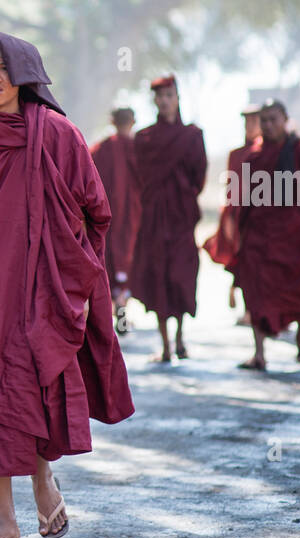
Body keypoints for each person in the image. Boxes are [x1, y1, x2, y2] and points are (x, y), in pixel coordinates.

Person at [0, 26, 133, 538]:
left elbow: (96, 210)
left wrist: (61, 261)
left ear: (24, 74)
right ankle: (5, 522)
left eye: (2, 68)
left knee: (32, 389)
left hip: (41, 292)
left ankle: (43, 477)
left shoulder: (57, 133)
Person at [228, 99, 300, 370]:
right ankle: (259, 352)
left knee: (297, 288)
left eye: (273, 119)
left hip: (294, 234)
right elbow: (244, 198)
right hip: (259, 236)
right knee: (256, 289)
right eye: (264, 121)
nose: (269, 125)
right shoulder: (255, 156)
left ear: (285, 119)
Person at [129, 75, 206, 361]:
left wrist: (181, 195)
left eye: (169, 96)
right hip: (154, 219)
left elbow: (199, 177)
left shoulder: (192, 137)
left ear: (178, 99)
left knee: (181, 275)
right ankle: (165, 344)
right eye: (159, 96)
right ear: (154, 101)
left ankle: (180, 336)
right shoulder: (145, 139)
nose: (164, 101)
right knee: (158, 275)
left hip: (181, 218)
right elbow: (140, 178)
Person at [203, 105, 260, 321]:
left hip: (261, 218)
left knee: (259, 265)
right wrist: (229, 218)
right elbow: (230, 189)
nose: (250, 126)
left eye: (255, 121)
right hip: (239, 216)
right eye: (247, 121)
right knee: (243, 262)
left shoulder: (266, 153)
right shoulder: (235, 155)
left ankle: (256, 309)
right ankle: (247, 308)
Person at [89, 107, 141, 332]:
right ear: (133, 122)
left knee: (109, 262)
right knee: (127, 261)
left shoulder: (102, 149)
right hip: (133, 218)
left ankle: (113, 311)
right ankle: (121, 308)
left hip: (107, 217)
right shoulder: (140, 149)